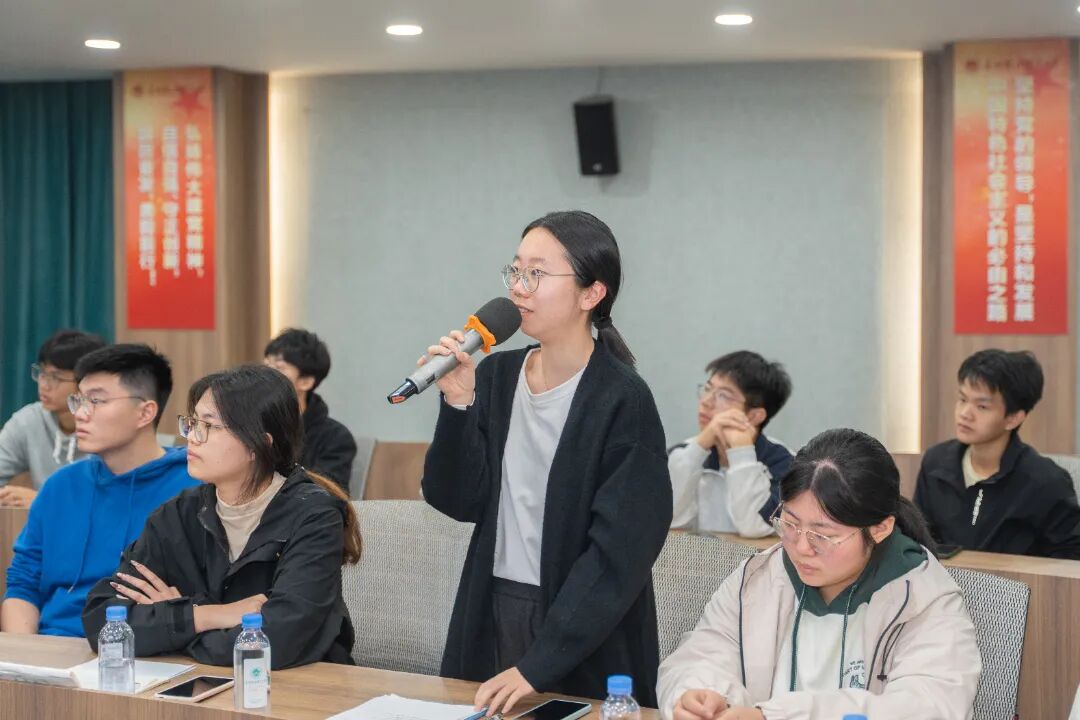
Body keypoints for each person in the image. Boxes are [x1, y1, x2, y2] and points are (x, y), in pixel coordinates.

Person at [420, 210, 672, 713]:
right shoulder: (496, 376)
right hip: (492, 606)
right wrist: (458, 404)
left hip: (585, 629)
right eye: (515, 271)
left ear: (591, 293)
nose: (519, 287)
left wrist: (538, 664)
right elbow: (456, 500)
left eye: (536, 273)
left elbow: (618, 555)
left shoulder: (623, 399)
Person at [657, 428, 981, 720]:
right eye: (790, 523)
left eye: (822, 535)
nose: (801, 547)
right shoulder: (759, 577)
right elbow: (704, 652)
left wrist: (773, 716)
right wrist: (700, 694)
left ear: (880, 528)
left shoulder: (924, 598)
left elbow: (930, 706)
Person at [82, 365, 360, 669]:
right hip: (203, 681)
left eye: (209, 426)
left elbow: (276, 639)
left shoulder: (314, 515)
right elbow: (103, 624)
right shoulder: (178, 513)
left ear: (259, 444)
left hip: (302, 684)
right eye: (192, 423)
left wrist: (175, 627)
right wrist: (207, 615)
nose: (192, 437)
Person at [1, 344, 197, 637]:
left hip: (147, 648)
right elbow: (23, 585)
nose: (80, 413)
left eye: (96, 401)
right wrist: (27, 653)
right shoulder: (59, 486)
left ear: (145, 412)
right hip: (55, 644)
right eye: (79, 400)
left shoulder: (192, 487)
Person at [914, 349, 1080, 559]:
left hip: (1015, 581)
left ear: (1013, 418)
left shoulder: (1046, 482)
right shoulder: (936, 463)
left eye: (982, 406)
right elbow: (917, 539)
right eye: (963, 399)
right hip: (943, 580)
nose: (964, 414)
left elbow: (1069, 562)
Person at [669, 351, 792, 537]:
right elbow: (668, 517)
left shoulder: (784, 463)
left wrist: (741, 452)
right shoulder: (682, 454)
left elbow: (756, 527)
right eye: (707, 389)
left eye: (724, 396)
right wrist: (699, 447)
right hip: (696, 555)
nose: (706, 402)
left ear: (754, 416)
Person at [0, 329, 106, 506]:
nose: (43, 384)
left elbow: (112, 502)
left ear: (86, 381)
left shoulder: (110, 425)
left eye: (55, 377)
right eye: (41, 373)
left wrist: (43, 501)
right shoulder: (28, 421)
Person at [264, 328, 357, 492]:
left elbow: (327, 494)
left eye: (278, 367)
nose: (265, 374)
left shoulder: (335, 438)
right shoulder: (251, 425)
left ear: (306, 381)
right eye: (265, 365)